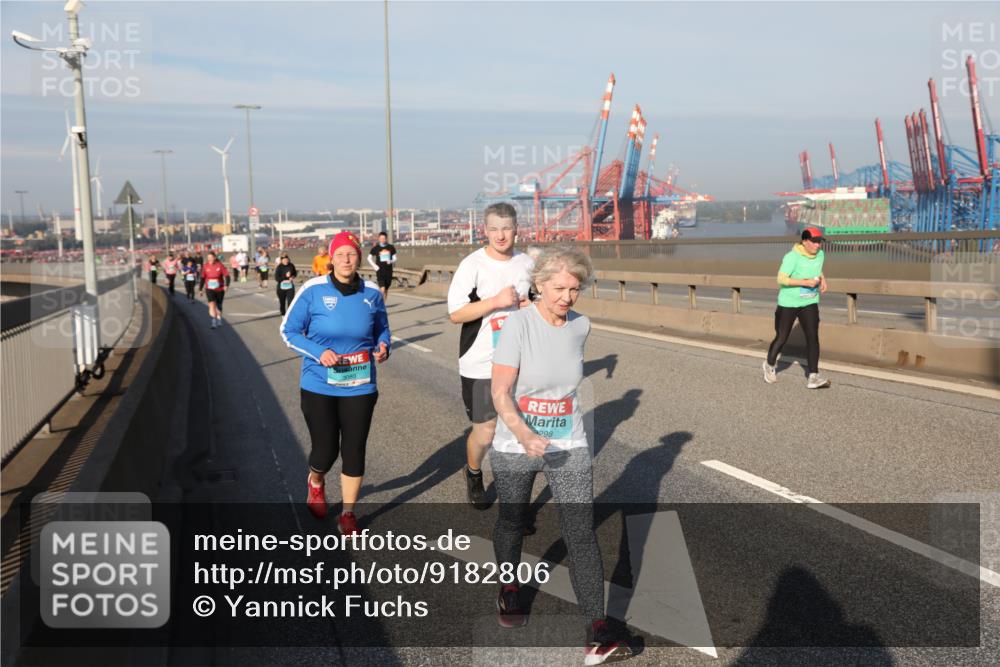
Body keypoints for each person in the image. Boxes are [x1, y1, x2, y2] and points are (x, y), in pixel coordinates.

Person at [489, 246, 631, 663]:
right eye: (559, 288)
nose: (567, 297)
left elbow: (565, 382)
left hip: (568, 440)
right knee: (513, 519)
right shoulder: (517, 325)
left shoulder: (580, 325)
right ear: (539, 285)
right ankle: (510, 588)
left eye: (575, 289)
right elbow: (500, 391)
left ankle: (597, 629)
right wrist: (523, 432)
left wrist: (552, 433)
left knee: (580, 531)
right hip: (516, 441)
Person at [280, 231, 390, 535]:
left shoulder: (371, 292)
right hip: (319, 384)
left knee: (354, 448)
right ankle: (316, 481)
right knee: (326, 450)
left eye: (351, 253)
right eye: (340, 254)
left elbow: (382, 328)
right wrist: (319, 352)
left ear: (358, 257)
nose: (346, 259)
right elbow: (288, 331)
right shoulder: (313, 290)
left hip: (360, 382)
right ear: (331, 258)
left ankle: (348, 513)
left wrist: (383, 346)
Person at [447, 202, 533, 509]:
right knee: (485, 433)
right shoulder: (473, 265)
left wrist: (529, 307)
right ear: (485, 230)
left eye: (506, 228)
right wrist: (496, 301)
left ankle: (514, 508)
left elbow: (536, 302)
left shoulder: (526, 263)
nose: (501, 235)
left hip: (521, 363)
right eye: (494, 229)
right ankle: (473, 472)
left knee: (516, 435)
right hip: (481, 362)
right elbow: (456, 313)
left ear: (516, 229)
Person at [763, 226, 831, 389]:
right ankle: (769, 364)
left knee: (813, 337)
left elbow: (817, 268)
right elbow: (781, 278)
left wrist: (824, 279)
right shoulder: (792, 257)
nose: (817, 245)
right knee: (782, 337)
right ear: (805, 241)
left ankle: (813, 376)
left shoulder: (820, 254)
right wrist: (805, 282)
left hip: (809, 301)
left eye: (819, 242)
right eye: (814, 242)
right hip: (789, 303)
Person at [199, 250, 230, 329]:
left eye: (211, 258)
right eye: (208, 258)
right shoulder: (205, 266)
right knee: (212, 304)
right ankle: (213, 321)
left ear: (215, 258)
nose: (210, 259)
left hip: (219, 288)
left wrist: (226, 285)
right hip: (209, 288)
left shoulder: (220, 265)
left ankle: (219, 318)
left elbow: (227, 276)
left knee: (219, 305)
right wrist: (200, 289)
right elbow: (202, 278)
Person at [367, 231, 397, 299]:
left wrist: (391, 261)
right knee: (382, 288)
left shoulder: (390, 247)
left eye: (384, 238)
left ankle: (383, 305)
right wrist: (375, 266)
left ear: (386, 239)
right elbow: (369, 258)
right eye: (381, 238)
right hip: (379, 271)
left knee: (386, 290)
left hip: (388, 271)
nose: (382, 240)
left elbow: (395, 258)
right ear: (379, 239)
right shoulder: (376, 248)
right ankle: (379, 303)